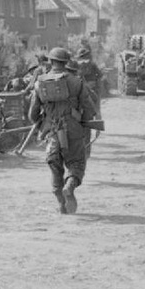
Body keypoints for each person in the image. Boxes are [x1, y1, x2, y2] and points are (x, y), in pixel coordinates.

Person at [29, 47, 97, 214]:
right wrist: (83, 123)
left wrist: (42, 126)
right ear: (66, 63)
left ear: (51, 62)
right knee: (77, 163)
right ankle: (70, 185)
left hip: (52, 130)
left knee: (54, 165)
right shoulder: (77, 82)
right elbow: (89, 108)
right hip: (73, 128)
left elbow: (32, 114)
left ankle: (60, 201)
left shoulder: (39, 83)